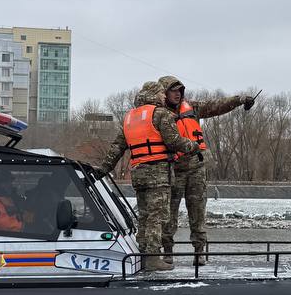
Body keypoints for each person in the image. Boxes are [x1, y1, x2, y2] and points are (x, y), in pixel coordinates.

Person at [97, 80, 199, 271]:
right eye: (161, 94)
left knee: (144, 216)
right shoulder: (161, 114)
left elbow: (117, 147)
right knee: (157, 216)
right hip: (158, 174)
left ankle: (142, 254)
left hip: (139, 174)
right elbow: (173, 141)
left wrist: (104, 168)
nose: (164, 97)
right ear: (155, 95)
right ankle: (152, 257)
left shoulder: (130, 117)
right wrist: (193, 146)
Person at [156, 75, 255, 266]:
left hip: (196, 168)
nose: (177, 94)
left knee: (198, 212)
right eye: (173, 91)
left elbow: (216, 106)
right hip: (172, 169)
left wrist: (240, 100)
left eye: (179, 90)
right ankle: (167, 252)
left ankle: (199, 252)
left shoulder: (192, 108)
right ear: (164, 93)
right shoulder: (158, 114)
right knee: (168, 214)